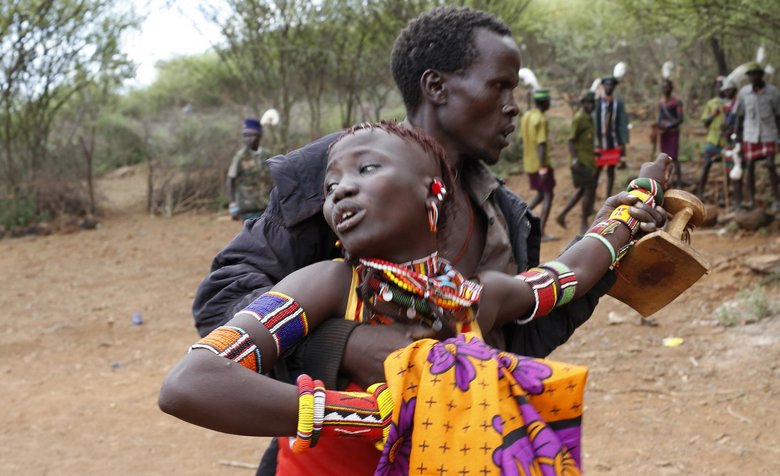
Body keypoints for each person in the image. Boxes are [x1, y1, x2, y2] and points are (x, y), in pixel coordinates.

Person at [190, 7, 664, 474]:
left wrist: (619, 229)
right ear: (437, 87)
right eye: (499, 85)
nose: (513, 104)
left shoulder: (504, 214)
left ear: (433, 194)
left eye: (514, 89)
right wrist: (344, 343)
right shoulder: (344, 171)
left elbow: (528, 324)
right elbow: (221, 303)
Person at [734, 62, 780, 211]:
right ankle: (752, 200)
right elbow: (739, 116)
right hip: (750, 134)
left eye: (755, 74)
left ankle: (776, 199)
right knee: (749, 166)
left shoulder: (773, 92)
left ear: (761, 75)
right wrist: (736, 135)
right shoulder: (744, 93)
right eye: (750, 74)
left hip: (769, 133)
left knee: (771, 165)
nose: (753, 77)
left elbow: (778, 115)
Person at [557, 91, 597, 233]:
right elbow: (571, 140)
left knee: (582, 190)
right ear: (583, 103)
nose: (591, 105)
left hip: (588, 160)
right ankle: (583, 222)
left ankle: (562, 215)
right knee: (588, 189)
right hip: (580, 162)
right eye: (588, 102)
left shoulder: (588, 118)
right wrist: (574, 159)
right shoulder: (580, 118)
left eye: (592, 103)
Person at [520, 89, 556, 240]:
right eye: (548, 101)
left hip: (529, 163)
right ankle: (541, 232)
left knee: (541, 194)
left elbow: (523, 139)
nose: (550, 104)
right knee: (548, 194)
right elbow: (541, 145)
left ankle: (520, 217)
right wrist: (543, 169)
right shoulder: (541, 119)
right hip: (541, 165)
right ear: (544, 102)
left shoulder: (527, 116)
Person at [227, 118, 274, 221]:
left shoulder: (267, 155)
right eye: (245, 135)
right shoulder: (240, 157)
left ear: (259, 135)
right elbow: (230, 180)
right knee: (254, 236)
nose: (248, 139)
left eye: (252, 135)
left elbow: (273, 179)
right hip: (248, 209)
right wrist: (232, 204)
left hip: (267, 206)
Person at [593, 75, 630, 198]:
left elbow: (622, 123)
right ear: (603, 86)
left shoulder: (617, 103)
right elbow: (593, 123)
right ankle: (592, 197)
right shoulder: (598, 102)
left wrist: (623, 143)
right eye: (606, 84)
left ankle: (607, 197)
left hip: (613, 142)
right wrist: (594, 143)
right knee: (596, 171)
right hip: (600, 143)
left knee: (611, 171)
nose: (609, 86)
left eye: (611, 84)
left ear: (614, 87)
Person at [697, 76, 728, 198]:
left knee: (726, 170)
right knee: (706, 166)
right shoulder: (711, 103)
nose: (719, 87)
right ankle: (700, 193)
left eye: (721, 84)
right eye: (717, 84)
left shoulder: (730, 103)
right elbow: (705, 123)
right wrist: (712, 114)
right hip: (711, 140)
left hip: (725, 142)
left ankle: (722, 196)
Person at [656, 79, 684, 186]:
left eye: (667, 86)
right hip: (664, 134)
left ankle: (679, 183)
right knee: (664, 158)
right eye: (663, 87)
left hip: (672, 132)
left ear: (671, 88)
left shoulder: (676, 102)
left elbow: (680, 119)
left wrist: (669, 125)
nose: (665, 89)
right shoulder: (661, 102)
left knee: (674, 158)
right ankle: (665, 181)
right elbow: (660, 118)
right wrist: (659, 125)